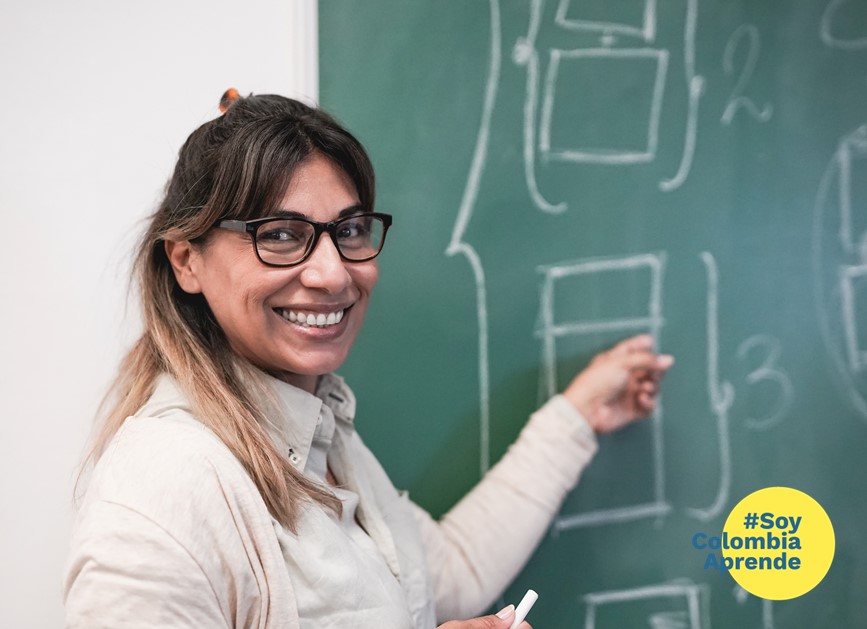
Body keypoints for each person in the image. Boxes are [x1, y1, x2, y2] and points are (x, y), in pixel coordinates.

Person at [63, 91, 674, 629]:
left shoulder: (321, 433)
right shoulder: (162, 488)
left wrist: (578, 413)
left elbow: (443, 575)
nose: (333, 274)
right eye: (279, 233)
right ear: (185, 261)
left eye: (349, 229)